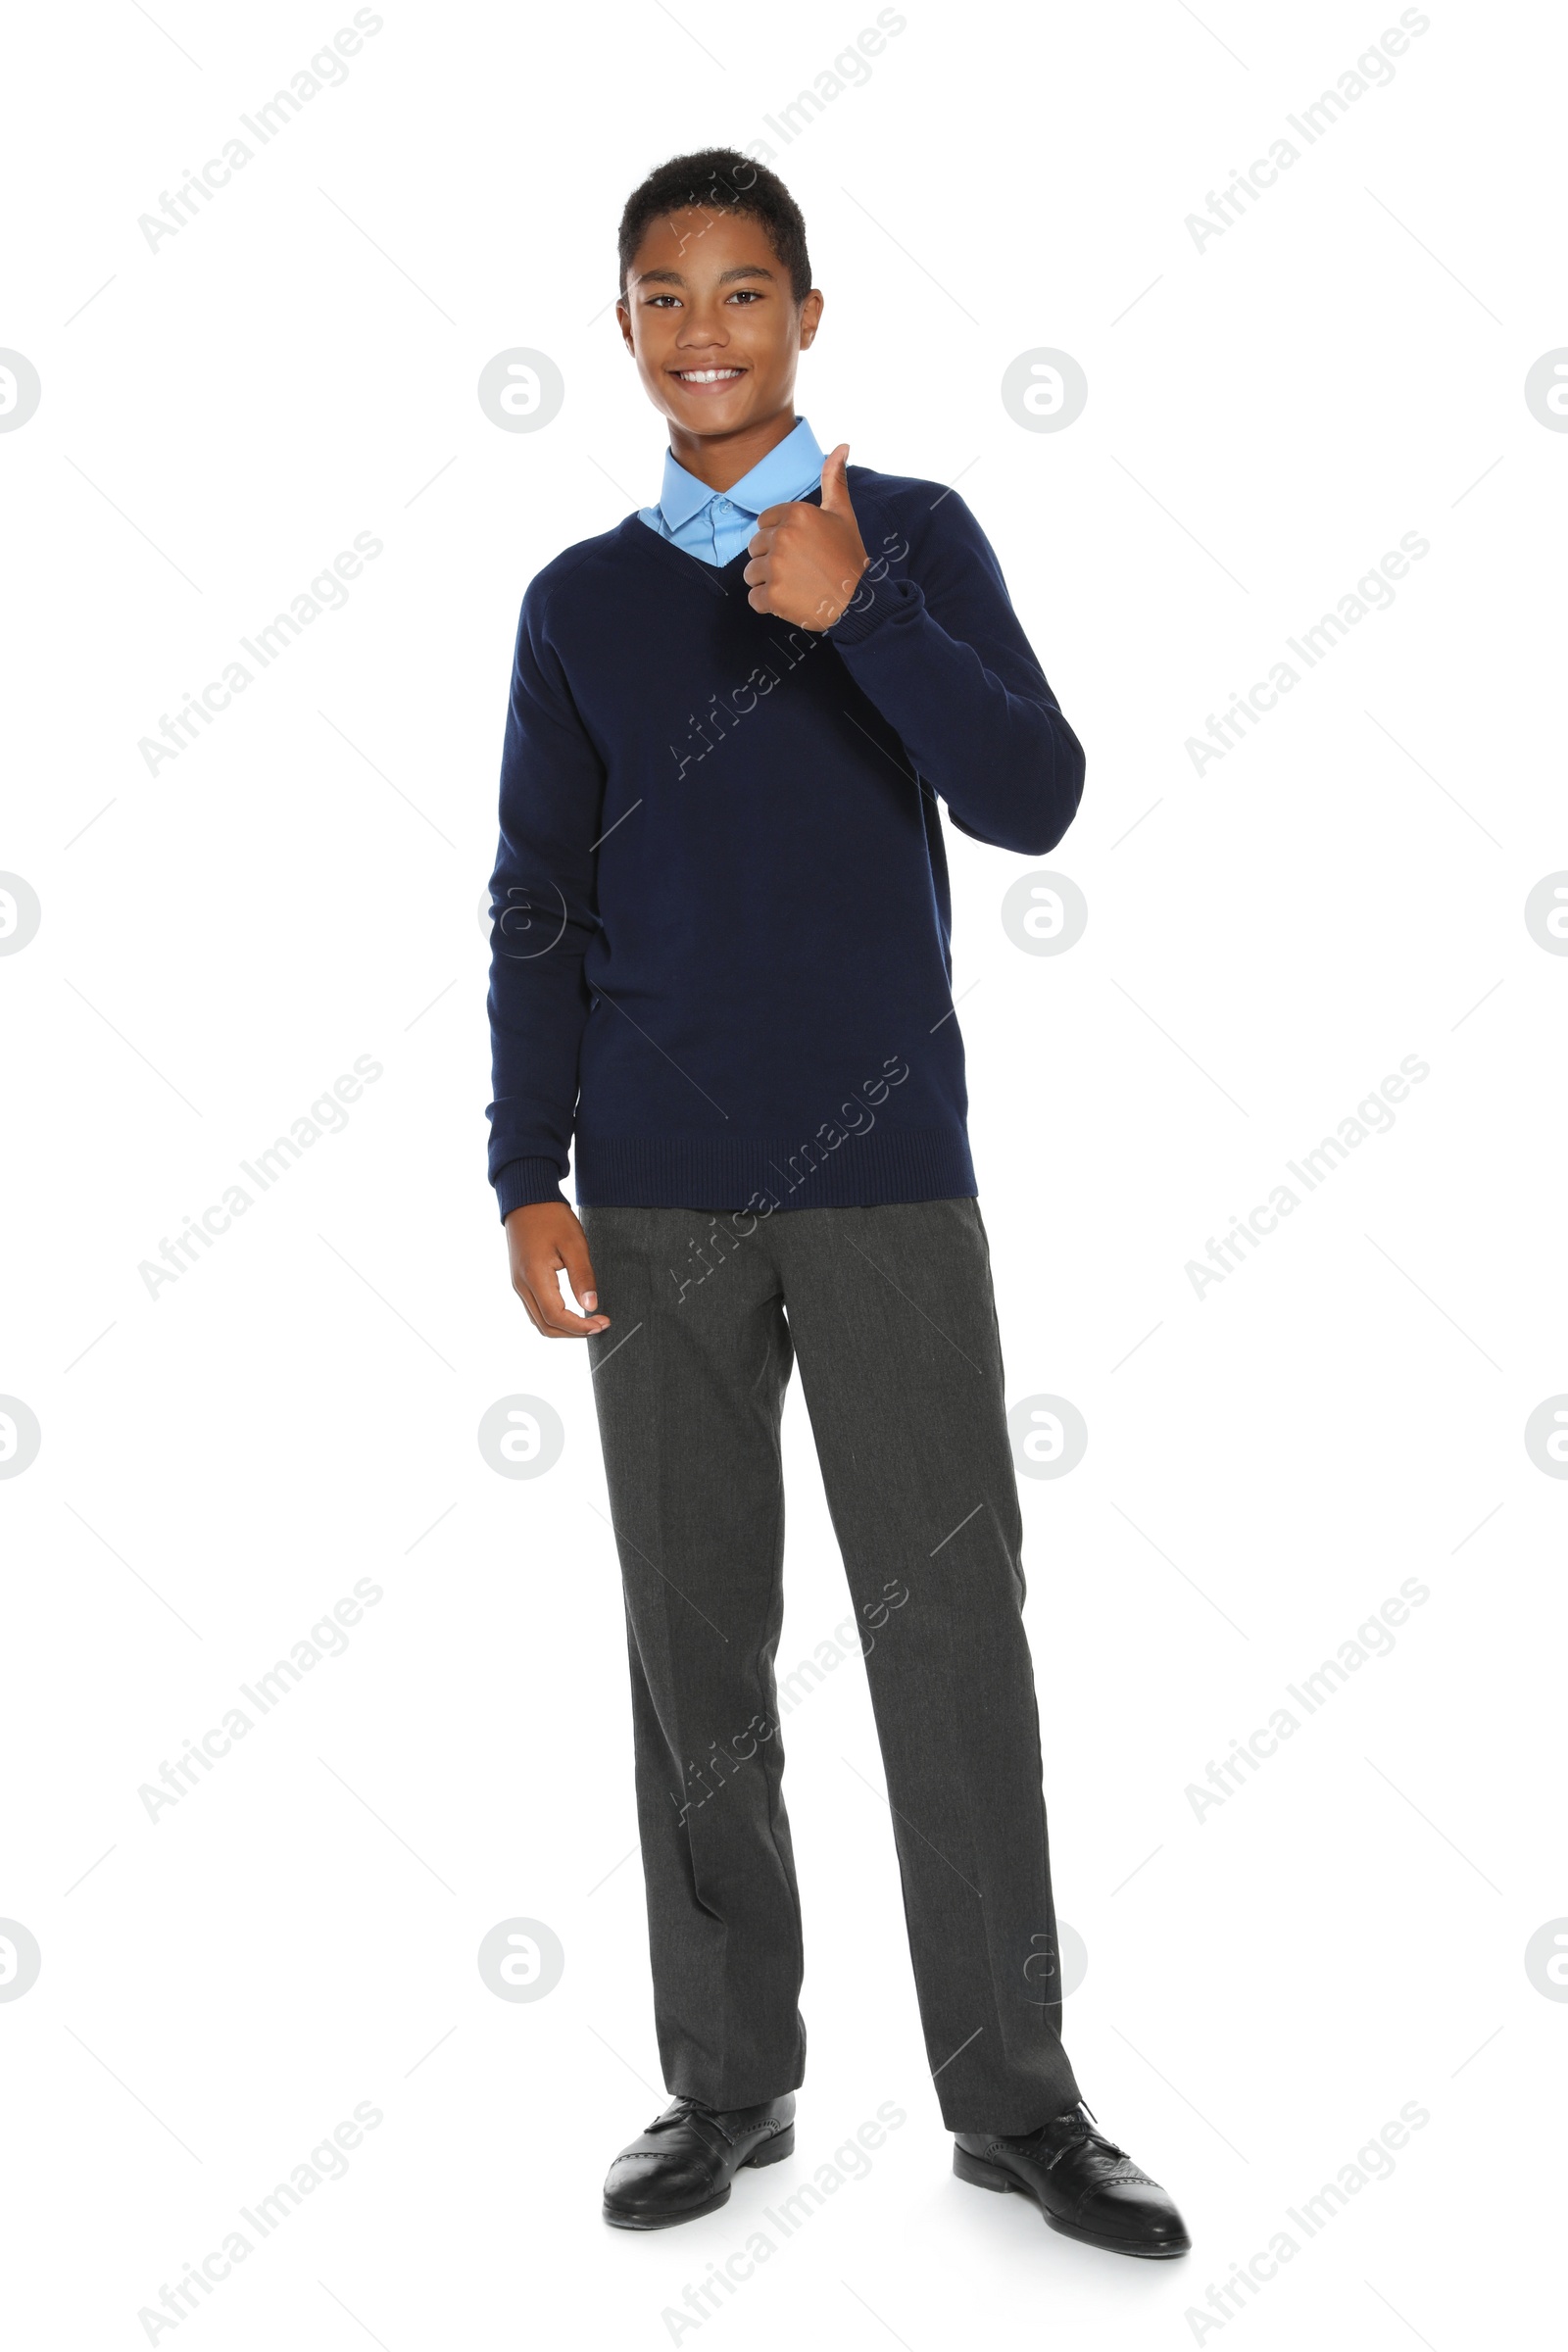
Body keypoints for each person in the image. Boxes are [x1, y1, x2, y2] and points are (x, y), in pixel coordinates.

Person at [485, 146, 1190, 2262]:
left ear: (807, 315)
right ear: (620, 330)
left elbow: (1035, 794)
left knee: (948, 1630)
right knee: (691, 1646)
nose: (704, 330)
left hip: (886, 1177)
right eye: (662, 296)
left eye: (743, 291)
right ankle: (725, 2081)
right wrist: (526, 1170)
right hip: (659, 1190)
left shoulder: (916, 538)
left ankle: (1017, 2105)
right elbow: (536, 906)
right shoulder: (579, 604)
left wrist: (854, 602)